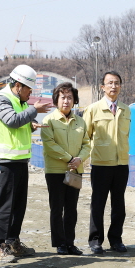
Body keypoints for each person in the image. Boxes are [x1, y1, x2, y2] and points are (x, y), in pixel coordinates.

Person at [0, 64, 52, 263]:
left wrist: (31, 125)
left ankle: (12, 241)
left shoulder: (20, 100)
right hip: (4, 161)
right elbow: (11, 121)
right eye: (28, 89)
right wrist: (34, 110)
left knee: (18, 205)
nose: (30, 93)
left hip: (19, 160)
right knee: (5, 205)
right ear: (18, 85)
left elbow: (20, 123)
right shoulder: (2, 99)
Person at [83, 71, 131, 254]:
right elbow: (85, 137)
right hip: (101, 164)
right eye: (109, 83)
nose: (113, 86)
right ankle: (95, 240)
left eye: (117, 83)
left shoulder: (126, 110)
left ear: (120, 86)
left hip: (121, 164)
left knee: (119, 204)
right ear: (102, 87)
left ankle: (116, 239)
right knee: (98, 204)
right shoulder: (93, 109)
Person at [41, 82, 91, 255]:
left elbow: (87, 144)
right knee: (57, 208)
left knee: (71, 208)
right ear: (56, 100)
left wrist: (80, 159)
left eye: (70, 97)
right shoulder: (49, 120)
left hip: (75, 171)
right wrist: (70, 158)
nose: (66, 101)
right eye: (63, 97)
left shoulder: (80, 122)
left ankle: (70, 242)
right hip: (55, 171)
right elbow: (49, 145)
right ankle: (59, 243)